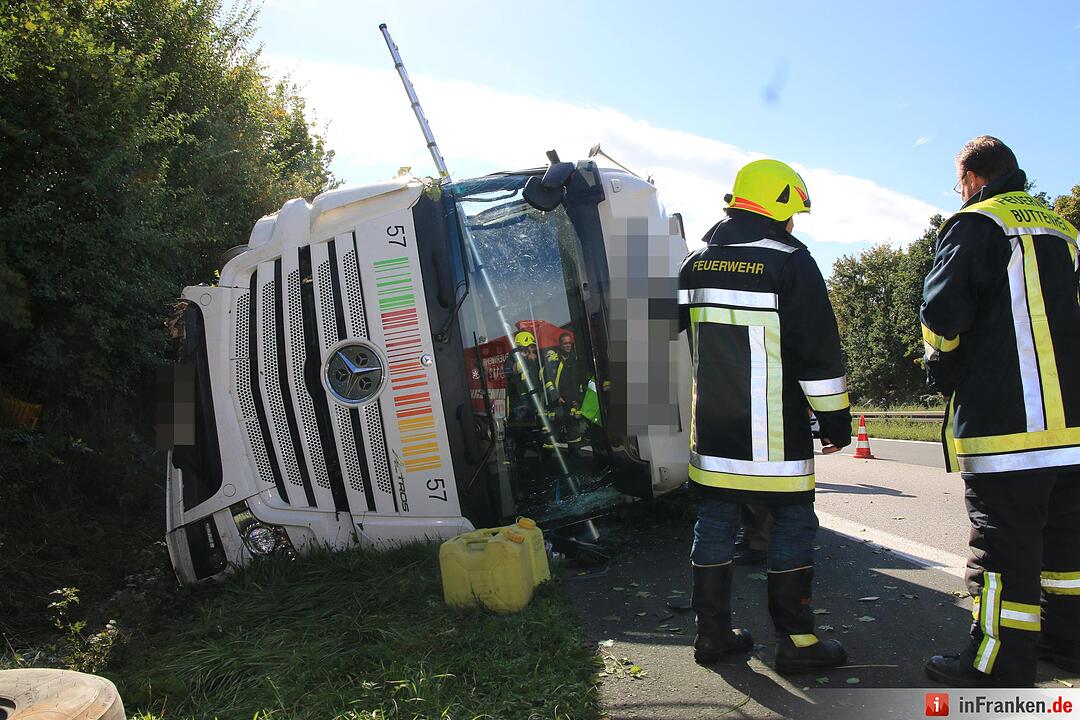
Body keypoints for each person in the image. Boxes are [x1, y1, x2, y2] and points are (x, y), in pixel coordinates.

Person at [678, 159, 852, 673]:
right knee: (793, 526)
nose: (795, 223)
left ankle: (711, 635)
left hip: (712, 432)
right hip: (775, 435)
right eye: (793, 211)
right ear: (779, 206)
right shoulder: (791, 262)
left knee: (713, 523)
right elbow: (816, 352)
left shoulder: (694, 262)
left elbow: (685, 335)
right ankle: (797, 645)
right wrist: (835, 421)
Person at [921, 136, 1080, 687]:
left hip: (1009, 430)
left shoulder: (977, 223)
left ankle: (996, 666)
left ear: (972, 178)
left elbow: (942, 315)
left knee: (1002, 552)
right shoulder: (1065, 230)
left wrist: (942, 370)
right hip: (1076, 433)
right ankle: (1070, 644)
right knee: (1068, 551)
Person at [503, 330, 545, 468]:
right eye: (531, 346)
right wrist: (525, 360)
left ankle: (539, 461)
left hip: (532, 403)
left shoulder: (534, 359)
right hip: (519, 406)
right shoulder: (512, 359)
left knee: (534, 435)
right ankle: (514, 461)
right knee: (517, 435)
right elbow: (509, 371)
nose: (533, 349)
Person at [544, 332, 586, 448]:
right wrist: (556, 396)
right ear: (560, 345)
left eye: (569, 343)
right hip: (558, 402)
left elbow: (579, 381)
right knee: (552, 438)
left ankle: (575, 458)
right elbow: (548, 381)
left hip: (572, 402)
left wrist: (578, 399)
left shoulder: (575, 360)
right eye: (565, 343)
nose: (568, 346)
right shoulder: (553, 360)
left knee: (574, 435)